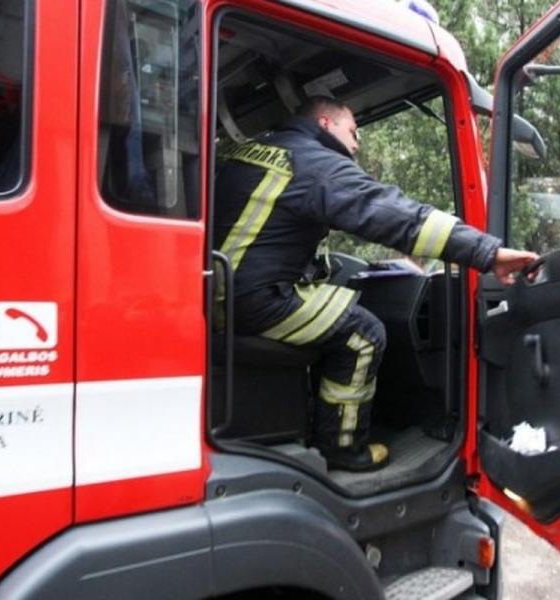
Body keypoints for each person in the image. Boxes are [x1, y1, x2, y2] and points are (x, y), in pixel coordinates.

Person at [214, 96, 537, 472]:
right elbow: (393, 214)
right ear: (325, 123)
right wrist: (487, 253)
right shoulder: (313, 163)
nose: (356, 144)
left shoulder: (255, 150)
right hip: (251, 300)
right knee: (363, 333)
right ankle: (341, 446)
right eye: (353, 131)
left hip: (214, 291)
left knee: (338, 311)